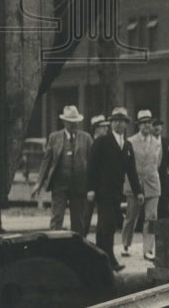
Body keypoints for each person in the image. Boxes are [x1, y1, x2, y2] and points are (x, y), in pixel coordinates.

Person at [87, 107, 142, 271]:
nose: (118, 124)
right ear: (111, 123)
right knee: (107, 224)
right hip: (102, 191)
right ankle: (109, 258)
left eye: (122, 121)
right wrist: (90, 189)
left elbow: (131, 171)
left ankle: (99, 258)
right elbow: (92, 167)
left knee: (105, 225)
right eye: (115, 121)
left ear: (126, 124)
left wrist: (138, 191)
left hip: (117, 192)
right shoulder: (102, 142)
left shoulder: (127, 145)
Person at [31, 105, 92, 235]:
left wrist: (92, 186)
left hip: (79, 186)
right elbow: (46, 161)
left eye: (75, 122)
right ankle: (54, 250)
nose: (73, 125)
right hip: (59, 185)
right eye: (70, 122)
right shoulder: (54, 137)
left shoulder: (86, 138)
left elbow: (92, 163)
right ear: (64, 122)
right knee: (56, 218)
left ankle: (77, 248)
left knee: (78, 221)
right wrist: (38, 184)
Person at [121, 110, 162, 260]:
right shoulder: (130, 141)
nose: (146, 125)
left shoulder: (157, 142)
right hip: (134, 184)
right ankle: (125, 244)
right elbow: (127, 164)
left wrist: (150, 175)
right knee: (131, 216)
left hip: (152, 184)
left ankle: (148, 250)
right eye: (143, 123)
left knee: (151, 217)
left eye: (149, 123)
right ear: (138, 125)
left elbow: (158, 163)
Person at [82, 114, 109, 237]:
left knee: (103, 218)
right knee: (86, 215)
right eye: (103, 127)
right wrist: (90, 188)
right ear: (96, 128)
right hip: (91, 187)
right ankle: (82, 239)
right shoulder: (91, 143)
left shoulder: (105, 143)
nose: (106, 129)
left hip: (102, 186)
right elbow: (89, 168)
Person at [152, 118, 169, 217]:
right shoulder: (148, 141)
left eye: (159, 125)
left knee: (164, 202)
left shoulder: (167, 142)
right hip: (151, 178)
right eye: (154, 125)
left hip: (163, 178)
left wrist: (167, 167)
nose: (157, 127)